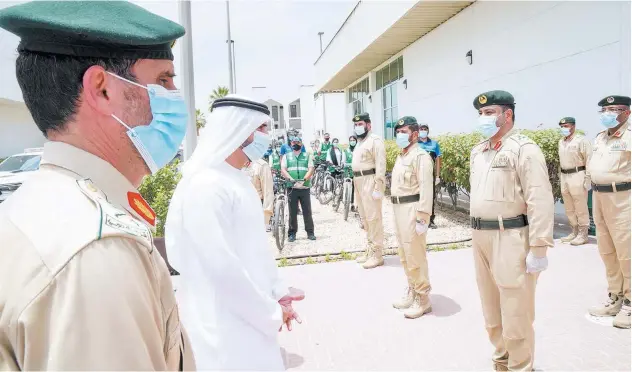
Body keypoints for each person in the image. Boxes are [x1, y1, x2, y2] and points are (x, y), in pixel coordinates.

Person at [0, 2, 194, 370]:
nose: (175, 96)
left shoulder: (33, 209)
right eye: (164, 81)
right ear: (103, 90)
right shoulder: (95, 250)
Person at [165, 96, 305, 370]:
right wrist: (271, 313)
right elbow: (221, 268)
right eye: (262, 129)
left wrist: (279, 293)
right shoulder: (207, 185)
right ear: (240, 131)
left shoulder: (236, 179)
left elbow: (256, 249)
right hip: (224, 324)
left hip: (251, 316)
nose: (267, 137)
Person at [470, 90, 554, 371]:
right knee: (491, 308)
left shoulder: (523, 149)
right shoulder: (478, 150)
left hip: (511, 237)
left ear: (508, 115)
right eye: (481, 114)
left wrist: (539, 247)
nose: (484, 118)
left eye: (489, 112)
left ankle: (521, 366)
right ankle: (501, 360)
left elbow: (539, 198)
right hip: (480, 237)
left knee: (516, 310)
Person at [586, 95, 631, 329]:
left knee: (627, 251)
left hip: (624, 199)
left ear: (627, 112)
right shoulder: (600, 138)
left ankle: (631, 303)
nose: (607, 114)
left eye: (613, 109)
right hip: (600, 196)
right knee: (607, 250)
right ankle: (615, 297)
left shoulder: (630, 137)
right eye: (604, 110)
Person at [391, 117, 434, 319]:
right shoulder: (403, 155)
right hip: (399, 208)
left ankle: (423, 298)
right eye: (397, 131)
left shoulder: (421, 156)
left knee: (415, 254)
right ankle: (412, 290)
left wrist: (423, 218)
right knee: (404, 253)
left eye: (404, 131)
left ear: (415, 134)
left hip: (412, 208)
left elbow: (426, 189)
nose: (399, 134)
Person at [351, 113, 387, 269]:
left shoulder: (375, 141)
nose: (358, 127)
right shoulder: (360, 142)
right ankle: (370, 249)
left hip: (370, 181)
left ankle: (377, 254)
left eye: (361, 124)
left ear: (368, 125)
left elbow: (381, 165)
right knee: (365, 218)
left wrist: (379, 187)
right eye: (356, 125)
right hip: (358, 181)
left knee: (374, 218)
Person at [557, 117, 592, 245]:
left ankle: (583, 233)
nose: (564, 129)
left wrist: (587, 179)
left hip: (578, 174)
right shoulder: (561, 141)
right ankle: (574, 230)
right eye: (562, 127)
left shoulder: (581, 141)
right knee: (569, 206)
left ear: (574, 126)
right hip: (565, 175)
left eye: (566, 126)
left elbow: (589, 160)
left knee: (580, 205)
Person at [281, 136, 316, 242]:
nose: (295, 144)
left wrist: (305, 178)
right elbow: (283, 169)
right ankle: (292, 234)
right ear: (291, 144)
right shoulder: (287, 156)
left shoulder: (307, 156)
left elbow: (311, 168)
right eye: (293, 142)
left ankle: (310, 233)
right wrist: (290, 178)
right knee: (292, 211)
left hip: (304, 186)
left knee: (307, 211)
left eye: (297, 142)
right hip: (292, 187)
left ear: (301, 144)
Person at [247, 119, 275, 231]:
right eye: (260, 127)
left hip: (256, 210)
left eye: (265, 128)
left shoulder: (261, 165)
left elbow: (268, 194)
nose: (265, 132)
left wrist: (265, 219)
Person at [417, 123, 442, 229]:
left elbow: (438, 161)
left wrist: (437, 176)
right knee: (417, 196)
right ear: (418, 131)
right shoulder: (415, 144)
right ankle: (417, 218)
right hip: (417, 174)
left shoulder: (434, 144)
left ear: (428, 131)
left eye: (425, 129)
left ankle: (430, 220)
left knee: (430, 197)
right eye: (421, 129)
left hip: (429, 175)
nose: (423, 130)